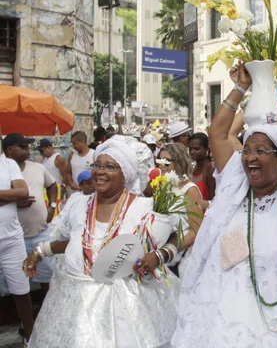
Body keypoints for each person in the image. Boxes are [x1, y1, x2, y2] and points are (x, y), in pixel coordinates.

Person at [171, 63, 277, 347]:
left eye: (261, 151)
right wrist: (241, 86)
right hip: (225, 322)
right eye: (247, 150)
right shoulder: (235, 188)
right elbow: (216, 134)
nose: (250, 157)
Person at [22, 138, 182, 347]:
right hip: (76, 304)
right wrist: (39, 252)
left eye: (109, 166)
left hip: (125, 307)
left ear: (127, 173)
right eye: (97, 164)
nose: (99, 171)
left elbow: (176, 237)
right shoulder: (78, 203)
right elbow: (74, 242)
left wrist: (158, 256)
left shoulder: (145, 207)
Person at [4, 134, 58, 293]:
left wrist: (52, 205)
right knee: (15, 281)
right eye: (23, 146)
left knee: (47, 275)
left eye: (28, 146)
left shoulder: (38, 168)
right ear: (10, 150)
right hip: (13, 239)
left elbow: (52, 185)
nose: (29, 149)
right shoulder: (2, 173)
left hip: (40, 232)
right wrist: (14, 202)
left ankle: (44, 307)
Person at [152, 142, 206, 278]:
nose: (161, 166)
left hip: (180, 263)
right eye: (159, 161)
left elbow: (196, 231)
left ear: (180, 162)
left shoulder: (190, 190)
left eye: (167, 161)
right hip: (162, 261)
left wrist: (168, 250)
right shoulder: (162, 186)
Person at [0, 135, 34, 345]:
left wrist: (15, 196)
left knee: (22, 291)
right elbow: (17, 195)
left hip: (12, 240)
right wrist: (9, 198)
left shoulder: (8, 163)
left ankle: (31, 337)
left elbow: (23, 192)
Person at [189, 132, 215, 200]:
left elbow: (212, 200)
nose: (192, 152)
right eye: (190, 149)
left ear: (206, 149)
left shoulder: (210, 171)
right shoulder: (192, 169)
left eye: (196, 149)